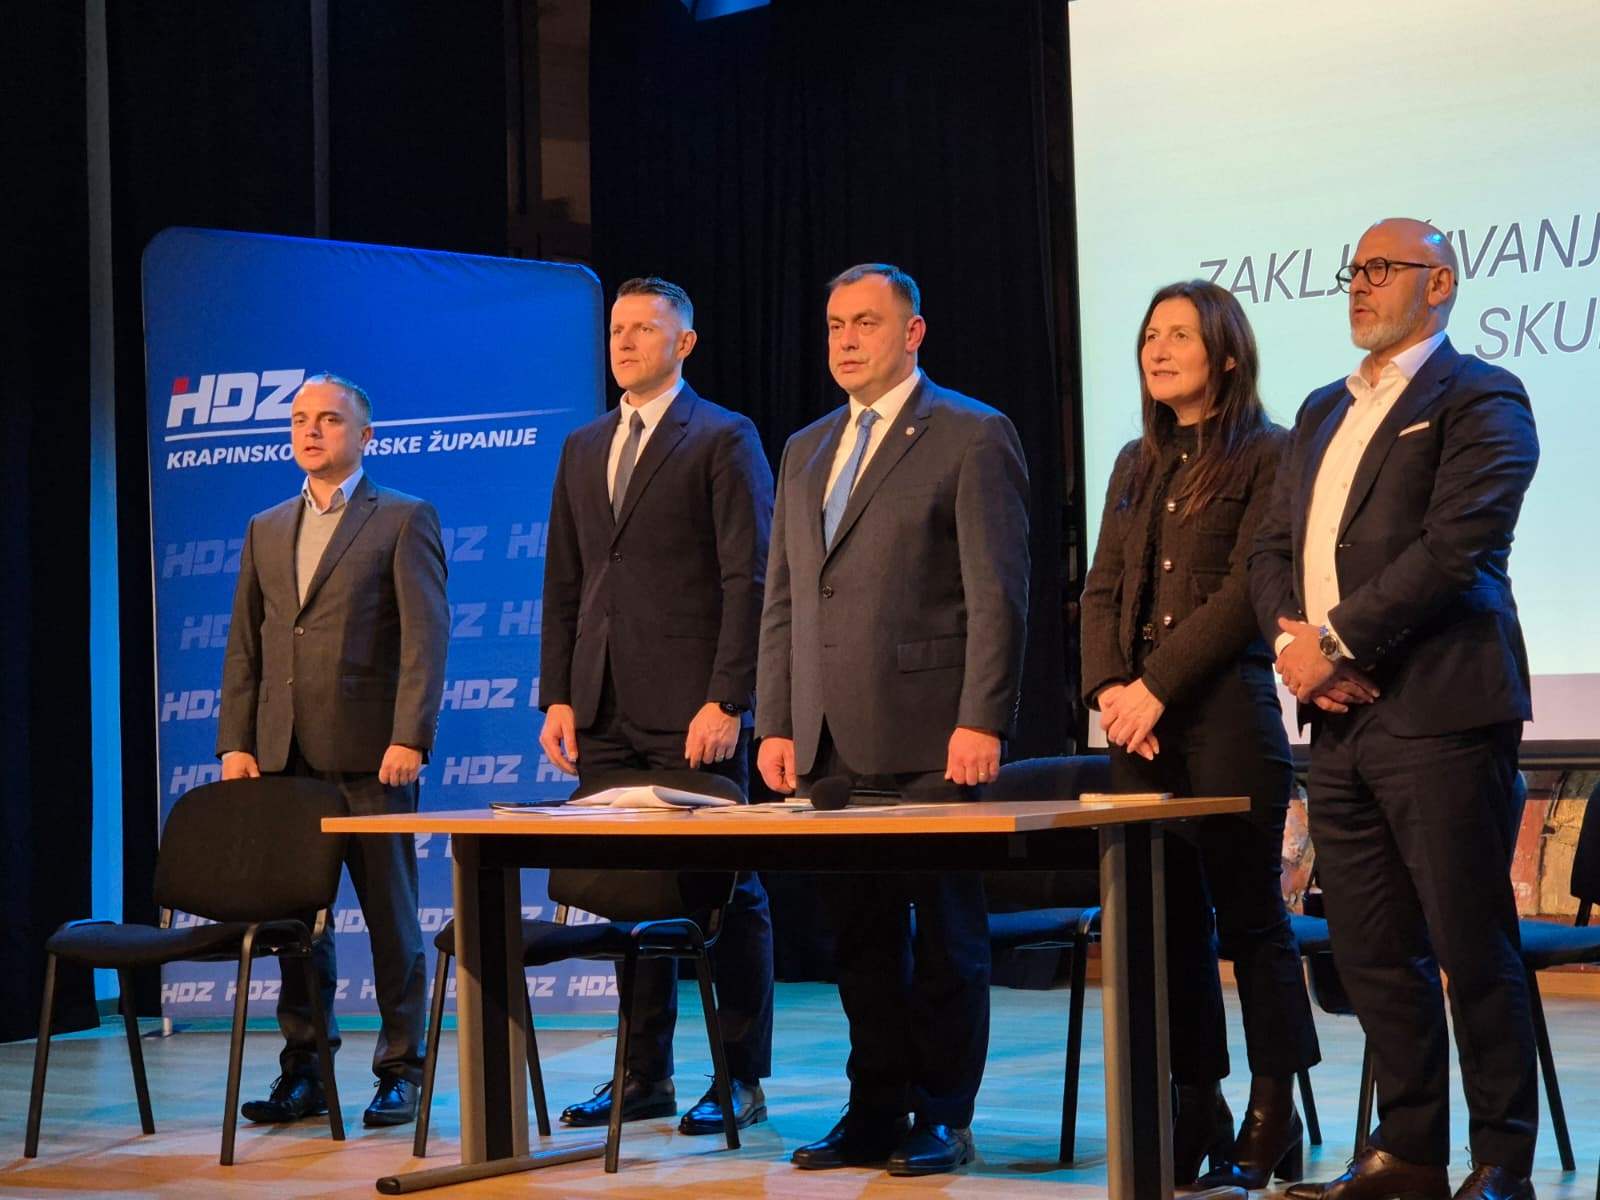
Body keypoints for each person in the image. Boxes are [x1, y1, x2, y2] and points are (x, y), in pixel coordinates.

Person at [1251, 218, 1540, 1200]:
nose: (1359, 284)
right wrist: (1295, 653)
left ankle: (1500, 1161)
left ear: (1440, 282)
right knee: (1371, 949)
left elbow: (1456, 548)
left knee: (1471, 944)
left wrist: (1333, 643)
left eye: (1382, 268)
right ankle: (1408, 1151)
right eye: (1354, 269)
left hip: (1441, 711)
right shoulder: (1320, 408)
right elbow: (1271, 549)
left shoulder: (1482, 395)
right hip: (1337, 723)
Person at [756, 263, 1030, 1177]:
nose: (845, 339)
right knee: (861, 940)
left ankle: (944, 1114)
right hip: (829, 741)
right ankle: (874, 1107)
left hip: (932, 733)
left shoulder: (970, 433)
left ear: (912, 333)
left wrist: (983, 716)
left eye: (865, 322)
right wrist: (778, 719)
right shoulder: (805, 447)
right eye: (835, 324)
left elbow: (998, 594)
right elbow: (785, 596)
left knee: (947, 935)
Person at [1080, 280, 1321, 1188]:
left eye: (1179, 335)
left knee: (1253, 920)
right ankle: (1196, 1103)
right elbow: (1103, 588)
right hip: (1137, 731)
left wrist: (1155, 686)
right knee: (1164, 925)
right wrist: (1111, 689)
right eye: (1150, 335)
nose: (1158, 348)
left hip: (1225, 718)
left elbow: (1246, 595)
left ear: (1225, 353)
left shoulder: (1271, 452)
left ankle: (1274, 1109)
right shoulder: (1134, 462)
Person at [538, 276, 776, 1135]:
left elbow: (749, 576)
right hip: (602, 707)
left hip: (692, 710)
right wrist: (558, 695)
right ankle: (643, 1075)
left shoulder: (722, 435)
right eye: (618, 329)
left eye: (645, 328)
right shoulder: (583, 446)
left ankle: (739, 1076)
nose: (626, 341)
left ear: (685, 343)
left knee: (726, 892)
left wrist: (729, 696)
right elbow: (565, 580)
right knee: (630, 893)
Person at [217, 373, 448, 1128]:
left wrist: (410, 734)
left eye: (329, 420)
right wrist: (236, 742)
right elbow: (245, 645)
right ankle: (306, 1071)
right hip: (283, 761)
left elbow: (425, 639)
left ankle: (402, 1069)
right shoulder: (265, 526)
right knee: (296, 928)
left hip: (371, 759)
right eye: (300, 419)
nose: (311, 431)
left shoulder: (403, 517)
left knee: (392, 922)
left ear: (364, 435)